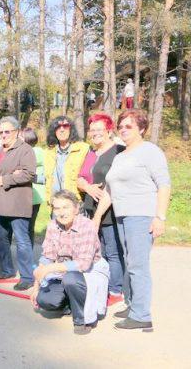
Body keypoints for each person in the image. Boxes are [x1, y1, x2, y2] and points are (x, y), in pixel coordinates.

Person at [94, 109, 171, 331]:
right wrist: (98, 216)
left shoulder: (150, 151)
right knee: (129, 262)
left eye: (129, 126)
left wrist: (160, 217)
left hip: (142, 215)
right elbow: (109, 188)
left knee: (138, 264)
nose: (123, 130)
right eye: (121, 126)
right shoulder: (120, 156)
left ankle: (142, 315)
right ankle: (133, 305)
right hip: (122, 215)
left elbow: (163, 184)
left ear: (142, 129)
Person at [31, 190, 110, 335]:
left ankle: (82, 320)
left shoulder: (86, 226)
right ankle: (70, 304)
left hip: (88, 272)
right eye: (57, 208)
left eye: (66, 207)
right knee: (44, 299)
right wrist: (36, 287)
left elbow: (84, 264)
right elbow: (46, 257)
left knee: (71, 278)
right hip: (63, 271)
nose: (61, 213)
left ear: (76, 208)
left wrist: (51, 268)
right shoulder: (52, 226)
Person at [0, 117, 36, 290]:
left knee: (21, 240)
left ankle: (27, 277)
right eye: (1, 132)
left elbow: (29, 173)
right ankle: (7, 269)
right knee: (1, 238)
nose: (4, 135)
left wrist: (6, 179)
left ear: (17, 132)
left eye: (7, 131)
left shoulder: (25, 150)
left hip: (16, 203)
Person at [77, 113, 125, 306]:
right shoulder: (91, 153)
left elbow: (116, 183)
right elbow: (80, 179)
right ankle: (102, 286)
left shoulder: (118, 151)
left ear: (108, 131)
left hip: (110, 210)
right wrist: (87, 187)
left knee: (112, 252)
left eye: (99, 129)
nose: (95, 133)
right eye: (92, 130)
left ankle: (116, 290)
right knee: (99, 250)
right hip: (90, 208)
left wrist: (99, 215)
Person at [44, 116, 89, 204]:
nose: (62, 130)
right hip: (55, 204)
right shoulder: (49, 152)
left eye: (65, 126)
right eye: (58, 127)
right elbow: (47, 177)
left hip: (75, 203)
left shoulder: (83, 149)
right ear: (54, 131)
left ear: (71, 129)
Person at [20, 127, 46, 245]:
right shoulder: (41, 152)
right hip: (37, 197)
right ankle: (28, 253)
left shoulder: (29, 153)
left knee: (24, 228)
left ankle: (26, 253)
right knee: (29, 227)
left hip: (29, 195)